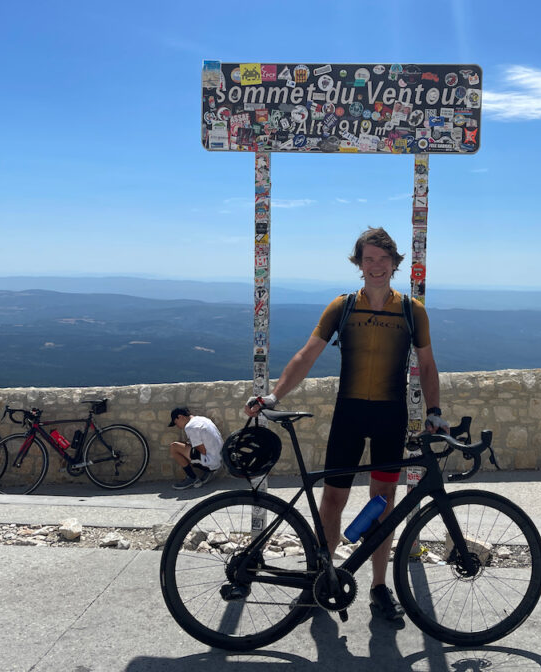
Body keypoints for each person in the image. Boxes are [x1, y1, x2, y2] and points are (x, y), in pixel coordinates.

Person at [244, 226, 442, 623]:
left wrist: (434, 411)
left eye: (383, 259)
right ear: (359, 263)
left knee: (382, 503)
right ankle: (322, 578)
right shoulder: (343, 306)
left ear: (394, 263)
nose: (376, 266)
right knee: (333, 499)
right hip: (349, 413)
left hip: (390, 416)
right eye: (368, 259)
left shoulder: (411, 310)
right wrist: (274, 397)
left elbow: (428, 363)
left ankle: (378, 587)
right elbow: (307, 353)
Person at [168, 406, 224, 490]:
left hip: (211, 462)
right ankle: (209, 471)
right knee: (187, 447)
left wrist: (188, 447)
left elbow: (203, 451)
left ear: (180, 417)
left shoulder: (190, 427)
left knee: (174, 447)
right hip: (221, 459)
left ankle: (192, 478)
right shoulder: (203, 419)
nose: (178, 426)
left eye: (176, 423)